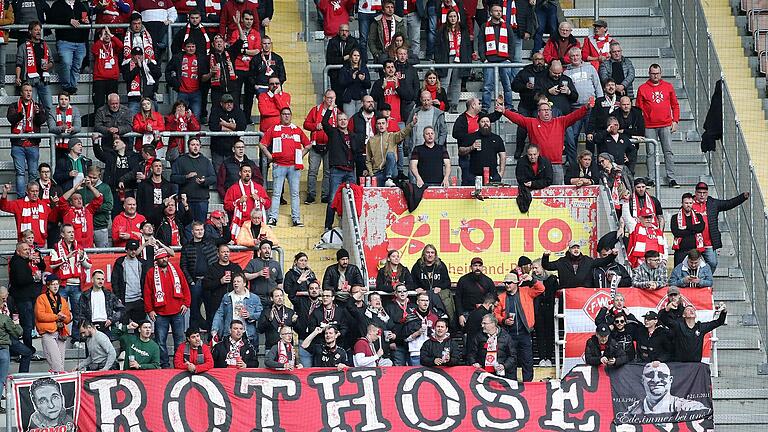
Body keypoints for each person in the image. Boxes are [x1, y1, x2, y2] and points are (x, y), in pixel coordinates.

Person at [500, 96, 594, 185]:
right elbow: (518, 119)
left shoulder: (560, 121)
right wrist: (504, 111)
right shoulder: (532, 122)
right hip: (540, 165)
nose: (546, 112)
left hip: (556, 164)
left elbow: (575, 116)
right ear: (538, 112)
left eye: (548, 110)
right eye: (543, 110)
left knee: (557, 193)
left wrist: (586, 107)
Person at [262, 107, 312, 227]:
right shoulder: (274, 129)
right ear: (280, 116)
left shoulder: (296, 129)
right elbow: (262, 144)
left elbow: (308, 145)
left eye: (288, 114)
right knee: (276, 193)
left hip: (294, 167)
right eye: (284, 114)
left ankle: (296, 219)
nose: (286, 116)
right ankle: (273, 218)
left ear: (291, 116)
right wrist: (270, 156)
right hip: (279, 165)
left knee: (294, 194)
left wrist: (299, 156)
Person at [144, 249, 191, 368]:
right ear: (156, 260)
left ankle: (178, 364)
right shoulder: (150, 273)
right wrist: (150, 310)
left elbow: (185, 286)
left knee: (179, 341)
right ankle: (164, 365)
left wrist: (186, 303)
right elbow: (147, 292)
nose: (164, 259)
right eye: (161, 258)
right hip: (160, 313)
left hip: (177, 311)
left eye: (166, 257)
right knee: (160, 341)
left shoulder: (176, 270)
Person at [636, 64, 681, 188]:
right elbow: (638, 108)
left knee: (668, 151)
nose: (655, 76)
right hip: (649, 126)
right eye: (653, 73)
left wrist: (675, 120)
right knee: (650, 153)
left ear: (661, 74)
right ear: (649, 74)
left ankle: (671, 178)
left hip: (666, 124)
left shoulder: (668, 86)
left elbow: (675, 105)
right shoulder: (642, 88)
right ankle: (651, 179)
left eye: (657, 73)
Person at [494, 271, 544, 381]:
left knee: (527, 361)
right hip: (509, 335)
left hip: (525, 333)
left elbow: (541, 289)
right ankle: (512, 384)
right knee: (511, 361)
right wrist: (503, 320)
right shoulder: (501, 297)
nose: (507, 285)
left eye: (510, 283)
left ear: (516, 283)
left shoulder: (526, 292)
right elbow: (495, 314)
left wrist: (532, 279)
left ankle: (528, 385)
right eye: (506, 283)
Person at [692, 182, 750, 272]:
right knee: (692, 264)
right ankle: (694, 282)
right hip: (694, 242)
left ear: (707, 193)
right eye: (700, 193)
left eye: (704, 193)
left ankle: (704, 280)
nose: (702, 195)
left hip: (708, 243)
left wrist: (742, 197)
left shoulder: (713, 203)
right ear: (695, 193)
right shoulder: (689, 203)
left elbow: (728, 204)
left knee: (713, 263)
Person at [321, 106, 360, 231]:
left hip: (350, 171)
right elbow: (324, 122)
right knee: (332, 199)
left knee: (353, 199)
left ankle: (353, 225)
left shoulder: (353, 136)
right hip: (336, 171)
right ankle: (328, 226)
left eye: (344, 119)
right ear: (337, 122)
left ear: (347, 121)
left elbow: (357, 153)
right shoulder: (333, 133)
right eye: (340, 120)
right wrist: (330, 109)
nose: (343, 121)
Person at [564, 48, 603, 167]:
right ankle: (573, 163)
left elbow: (598, 85)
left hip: (591, 107)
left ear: (581, 56)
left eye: (577, 55)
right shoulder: (566, 73)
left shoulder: (590, 68)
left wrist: (600, 102)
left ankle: (590, 162)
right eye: (572, 56)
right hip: (575, 109)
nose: (575, 58)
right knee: (573, 136)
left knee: (590, 136)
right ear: (569, 58)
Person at [8, 83, 47, 198]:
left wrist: (38, 113)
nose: (29, 93)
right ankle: (21, 199)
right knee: (20, 173)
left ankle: (32, 198)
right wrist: (20, 114)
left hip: (32, 144)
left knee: (33, 174)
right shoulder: (14, 106)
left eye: (30, 90)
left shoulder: (37, 106)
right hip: (18, 145)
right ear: (21, 92)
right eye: (26, 90)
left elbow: (42, 121)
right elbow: (11, 119)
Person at [626, 362, 709, 414]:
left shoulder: (690, 408)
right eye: (650, 375)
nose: (656, 380)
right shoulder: (632, 411)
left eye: (662, 375)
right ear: (642, 380)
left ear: (670, 380)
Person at [179, 222, 218, 330]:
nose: (200, 232)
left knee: (211, 311)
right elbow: (183, 266)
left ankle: (211, 338)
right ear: (192, 232)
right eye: (197, 230)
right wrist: (190, 281)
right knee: (194, 312)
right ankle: (193, 336)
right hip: (195, 282)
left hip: (208, 282)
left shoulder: (210, 244)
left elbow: (215, 263)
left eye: (201, 229)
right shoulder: (187, 246)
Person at [304, 90, 339, 205]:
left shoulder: (337, 111)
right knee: (312, 171)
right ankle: (311, 195)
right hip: (315, 145)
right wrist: (315, 126)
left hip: (330, 146)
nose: (331, 100)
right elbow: (306, 124)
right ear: (324, 98)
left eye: (333, 98)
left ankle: (325, 195)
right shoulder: (315, 110)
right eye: (329, 98)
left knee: (327, 172)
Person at [434, 9, 472, 112]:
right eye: (450, 16)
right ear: (447, 18)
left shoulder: (463, 30)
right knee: (444, 82)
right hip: (447, 58)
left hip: (460, 58)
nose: (453, 18)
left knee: (457, 83)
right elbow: (437, 46)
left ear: (457, 17)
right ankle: (442, 105)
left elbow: (467, 46)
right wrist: (438, 59)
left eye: (454, 16)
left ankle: (454, 105)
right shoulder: (442, 30)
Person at [478, 4, 514, 111]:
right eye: (496, 11)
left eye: (500, 11)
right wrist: (483, 58)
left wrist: (510, 58)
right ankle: (485, 107)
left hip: (504, 60)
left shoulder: (507, 26)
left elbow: (511, 43)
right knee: (487, 86)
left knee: (507, 86)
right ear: (490, 12)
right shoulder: (484, 26)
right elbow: (481, 43)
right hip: (489, 60)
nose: (498, 13)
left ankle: (509, 106)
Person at [170, 138, 216, 222]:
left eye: (197, 145)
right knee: (186, 228)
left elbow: (213, 178)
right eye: (193, 145)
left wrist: (204, 181)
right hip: (186, 201)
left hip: (202, 200)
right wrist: (186, 177)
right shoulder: (180, 161)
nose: (195, 147)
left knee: (200, 227)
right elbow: (173, 178)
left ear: (200, 147)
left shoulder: (206, 161)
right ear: (188, 146)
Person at [365, 113, 416, 186]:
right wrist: (371, 174)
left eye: (383, 123)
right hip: (377, 172)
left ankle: (388, 179)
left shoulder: (392, 136)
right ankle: (387, 180)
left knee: (390, 154)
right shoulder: (371, 140)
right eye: (379, 123)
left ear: (387, 125)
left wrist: (412, 124)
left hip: (392, 172)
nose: (381, 125)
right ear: (376, 126)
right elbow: (368, 159)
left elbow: (403, 133)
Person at [34, 275, 72, 372]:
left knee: (60, 362)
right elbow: (40, 316)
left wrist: (63, 318)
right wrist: (56, 317)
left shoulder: (63, 300)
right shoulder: (41, 298)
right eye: (53, 284)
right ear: (48, 286)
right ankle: (62, 380)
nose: (55, 286)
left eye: (57, 284)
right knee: (56, 361)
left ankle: (58, 378)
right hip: (48, 332)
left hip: (61, 332)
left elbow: (68, 318)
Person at [14, 22, 54, 113]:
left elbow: (51, 61)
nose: (38, 32)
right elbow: (19, 64)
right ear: (30, 31)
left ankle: (52, 127)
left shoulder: (45, 45)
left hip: (44, 81)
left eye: (39, 30)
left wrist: (48, 65)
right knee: (32, 108)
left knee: (49, 107)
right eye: (35, 30)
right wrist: (17, 77)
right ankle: (32, 127)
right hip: (30, 82)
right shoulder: (23, 46)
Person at [202, 243, 243, 329]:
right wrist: (220, 281)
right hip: (216, 304)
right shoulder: (212, 268)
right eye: (223, 252)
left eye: (227, 252)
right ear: (218, 254)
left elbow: (243, 283)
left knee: (233, 328)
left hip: (234, 303)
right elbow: (205, 285)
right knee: (216, 329)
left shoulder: (235, 267)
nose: (225, 254)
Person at [211, 272, 262, 342]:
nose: (235, 283)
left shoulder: (254, 298)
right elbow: (219, 313)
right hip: (230, 333)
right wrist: (214, 329)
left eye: (238, 281)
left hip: (247, 334)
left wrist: (250, 315)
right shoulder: (227, 297)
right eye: (234, 281)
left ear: (244, 283)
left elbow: (260, 314)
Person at [224, 162, 270, 239]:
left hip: (256, 225)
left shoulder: (259, 188)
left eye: (249, 171)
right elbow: (226, 206)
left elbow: (268, 204)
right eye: (245, 172)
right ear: (240, 173)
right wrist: (238, 202)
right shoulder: (233, 189)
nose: (247, 174)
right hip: (241, 225)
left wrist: (259, 199)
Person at [542, 243, 617, 288]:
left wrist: (612, 255)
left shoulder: (587, 260)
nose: (576, 250)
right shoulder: (562, 261)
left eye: (578, 248)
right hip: (567, 294)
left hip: (584, 294)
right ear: (569, 250)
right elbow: (547, 266)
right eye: (573, 248)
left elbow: (603, 261)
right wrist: (545, 256)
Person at [458, 113, 506, 182]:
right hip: (474, 175)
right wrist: (471, 147)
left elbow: (503, 156)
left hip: (493, 175)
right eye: (483, 122)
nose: (485, 123)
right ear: (479, 123)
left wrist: (501, 173)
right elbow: (460, 151)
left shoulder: (497, 138)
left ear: (490, 123)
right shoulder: (471, 137)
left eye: (487, 121)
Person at [57, 179, 104, 248]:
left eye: (80, 198)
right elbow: (61, 201)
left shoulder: (88, 210)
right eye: (76, 199)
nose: (79, 201)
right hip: (73, 247)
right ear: (71, 202)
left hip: (88, 247)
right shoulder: (67, 211)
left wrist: (90, 186)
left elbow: (99, 198)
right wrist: (74, 189)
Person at [112, 240, 150, 324]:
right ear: (126, 250)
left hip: (139, 300)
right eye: (131, 249)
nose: (133, 251)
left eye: (135, 249)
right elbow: (115, 281)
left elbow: (146, 281)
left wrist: (144, 297)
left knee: (140, 327)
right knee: (123, 328)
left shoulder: (142, 263)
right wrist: (118, 297)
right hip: (124, 301)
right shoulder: (120, 262)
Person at [0, 286, 35, 375]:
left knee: (27, 352)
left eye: (5, 297)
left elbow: (15, 316)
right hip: (2, 337)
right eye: (2, 298)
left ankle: (22, 376)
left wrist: (16, 324)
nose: (4, 300)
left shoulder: (10, 300)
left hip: (11, 335)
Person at [77, 270, 123, 337]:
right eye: (98, 279)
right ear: (92, 280)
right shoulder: (85, 295)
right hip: (91, 327)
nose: (101, 281)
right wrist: (87, 326)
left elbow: (121, 309)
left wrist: (112, 319)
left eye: (102, 279)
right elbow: (80, 313)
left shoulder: (109, 294)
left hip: (106, 326)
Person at [209, 93, 248, 169]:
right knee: (218, 172)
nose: (229, 105)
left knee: (232, 172)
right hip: (218, 149)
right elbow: (213, 127)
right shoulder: (215, 111)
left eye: (231, 103)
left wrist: (225, 124)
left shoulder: (238, 111)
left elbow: (242, 127)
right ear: (221, 103)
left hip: (232, 149)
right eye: (226, 103)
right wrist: (233, 128)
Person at [455, 257, 496, 328]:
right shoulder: (463, 280)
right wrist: (460, 315)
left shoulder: (488, 281)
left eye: (480, 266)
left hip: (483, 314)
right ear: (471, 267)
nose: (478, 268)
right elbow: (458, 299)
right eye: (475, 265)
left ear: (483, 267)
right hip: (467, 313)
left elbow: (493, 296)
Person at [121, 47, 162, 115]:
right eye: (135, 55)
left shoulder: (148, 63)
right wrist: (137, 67)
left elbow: (158, 74)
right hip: (134, 100)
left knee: (152, 121)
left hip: (149, 98)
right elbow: (127, 78)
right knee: (132, 121)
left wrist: (150, 65)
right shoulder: (127, 65)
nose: (138, 57)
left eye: (140, 55)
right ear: (132, 56)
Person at [670, 193, 706, 266]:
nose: (688, 205)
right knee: (679, 272)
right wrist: (694, 230)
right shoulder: (675, 217)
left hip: (695, 250)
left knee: (695, 272)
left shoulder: (698, 216)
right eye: (686, 203)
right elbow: (676, 232)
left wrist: (686, 227)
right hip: (681, 251)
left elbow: (701, 228)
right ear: (682, 203)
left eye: (690, 203)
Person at [244, 239, 284, 304]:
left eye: (269, 248)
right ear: (260, 250)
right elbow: (245, 276)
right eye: (264, 248)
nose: (267, 250)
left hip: (272, 299)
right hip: (257, 299)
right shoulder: (253, 262)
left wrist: (279, 297)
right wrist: (258, 274)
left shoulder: (275, 264)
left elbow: (280, 282)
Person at [0, 293, 23, 398]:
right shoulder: (4, 318)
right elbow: (18, 332)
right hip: (3, 349)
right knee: (1, 379)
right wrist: (16, 322)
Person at [47, 92, 82, 162]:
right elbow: (51, 128)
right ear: (58, 100)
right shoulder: (52, 111)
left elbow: (78, 127)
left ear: (69, 101)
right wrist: (62, 128)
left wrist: (73, 129)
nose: (63, 101)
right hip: (56, 145)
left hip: (71, 144)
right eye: (61, 99)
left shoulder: (75, 110)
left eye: (66, 99)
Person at [327, 23, 359, 95]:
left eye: (346, 31)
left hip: (349, 74)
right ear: (339, 31)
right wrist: (343, 58)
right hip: (335, 75)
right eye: (342, 31)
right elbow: (330, 60)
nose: (344, 33)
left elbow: (357, 57)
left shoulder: (353, 42)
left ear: (349, 32)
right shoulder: (332, 42)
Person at [337, 48, 371, 118]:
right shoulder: (345, 68)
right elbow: (341, 84)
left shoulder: (363, 68)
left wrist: (364, 79)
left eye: (358, 56)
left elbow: (368, 85)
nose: (356, 57)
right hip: (349, 99)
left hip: (361, 99)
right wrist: (351, 78)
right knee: (349, 121)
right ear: (351, 56)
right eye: (354, 55)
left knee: (361, 120)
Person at [586, 78, 621, 143]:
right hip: (602, 132)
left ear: (615, 87)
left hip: (618, 132)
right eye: (608, 85)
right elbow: (593, 117)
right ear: (604, 88)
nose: (611, 87)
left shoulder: (621, 100)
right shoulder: (599, 101)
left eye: (612, 85)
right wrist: (589, 132)